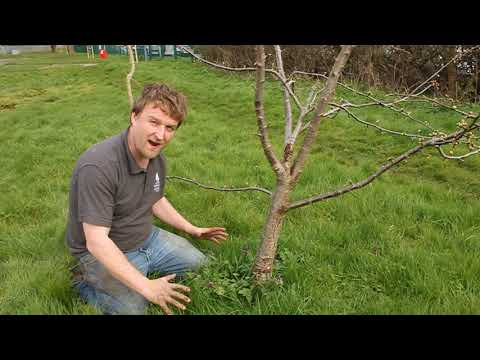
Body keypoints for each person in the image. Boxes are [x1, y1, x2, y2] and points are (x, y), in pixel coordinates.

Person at [66, 83, 228, 315]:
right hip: (103, 251)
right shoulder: (98, 166)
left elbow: (156, 199)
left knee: (202, 266)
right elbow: (96, 241)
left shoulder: (156, 159)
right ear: (134, 117)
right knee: (132, 310)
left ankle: (142, 270)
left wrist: (192, 229)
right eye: (154, 122)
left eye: (170, 128)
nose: (160, 135)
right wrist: (147, 287)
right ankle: (83, 279)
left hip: (147, 238)